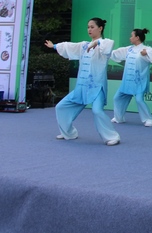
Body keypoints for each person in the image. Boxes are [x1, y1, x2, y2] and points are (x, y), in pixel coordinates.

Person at [45, 18, 120, 146]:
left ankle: (112, 136)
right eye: (88, 27)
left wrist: (97, 44)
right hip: (82, 87)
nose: (89, 29)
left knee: (97, 111)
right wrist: (55, 46)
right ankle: (69, 133)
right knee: (61, 107)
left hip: (97, 86)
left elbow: (108, 46)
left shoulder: (104, 44)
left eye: (92, 27)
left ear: (100, 28)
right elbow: (69, 46)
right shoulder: (84, 45)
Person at [110, 28, 152, 127]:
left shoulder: (145, 49)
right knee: (117, 98)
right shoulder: (129, 49)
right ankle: (118, 117)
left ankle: (149, 119)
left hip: (139, 81)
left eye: (132, 36)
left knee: (139, 100)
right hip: (127, 81)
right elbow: (115, 53)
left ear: (137, 38)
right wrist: (104, 50)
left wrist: (147, 52)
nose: (130, 38)